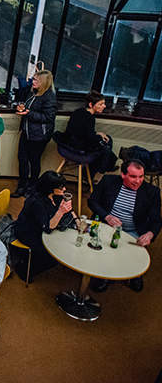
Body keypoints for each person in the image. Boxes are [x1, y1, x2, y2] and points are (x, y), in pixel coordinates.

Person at [88, 159, 162, 292]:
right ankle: (105, 275)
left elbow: (156, 220)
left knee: (131, 258)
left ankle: (134, 273)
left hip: (132, 231)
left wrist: (150, 234)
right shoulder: (108, 181)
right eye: (133, 176)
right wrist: (107, 216)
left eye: (141, 177)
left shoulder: (151, 192)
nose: (138, 181)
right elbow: (92, 201)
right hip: (106, 226)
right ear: (123, 175)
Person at [13, 171, 72, 282]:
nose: (64, 189)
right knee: (52, 257)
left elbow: (69, 210)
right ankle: (23, 268)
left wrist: (77, 220)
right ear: (50, 188)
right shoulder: (36, 202)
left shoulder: (55, 196)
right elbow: (47, 227)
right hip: (29, 232)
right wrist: (60, 212)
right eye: (60, 188)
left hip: (40, 227)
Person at [12, 70, 57, 198]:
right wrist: (22, 106)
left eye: (36, 80)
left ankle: (32, 187)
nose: (33, 81)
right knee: (22, 159)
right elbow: (27, 106)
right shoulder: (33, 92)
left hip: (39, 136)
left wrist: (28, 113)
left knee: (34, 161)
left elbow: (48, 117)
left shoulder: (49, 97)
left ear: (44, 82)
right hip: (27, 132)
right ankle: (22, 186)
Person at [60, 90, 117, 179]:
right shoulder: (90, 118)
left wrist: (98, 134)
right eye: (101, 104)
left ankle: (102, 167)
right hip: (78, 148)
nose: (104, 106)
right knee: (107, 143)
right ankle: (98, 170)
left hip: (67, 144)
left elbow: (82, 132)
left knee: (105, 145)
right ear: (91, 104)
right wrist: (98, 137)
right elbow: (90, 139)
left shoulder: (79, 111)